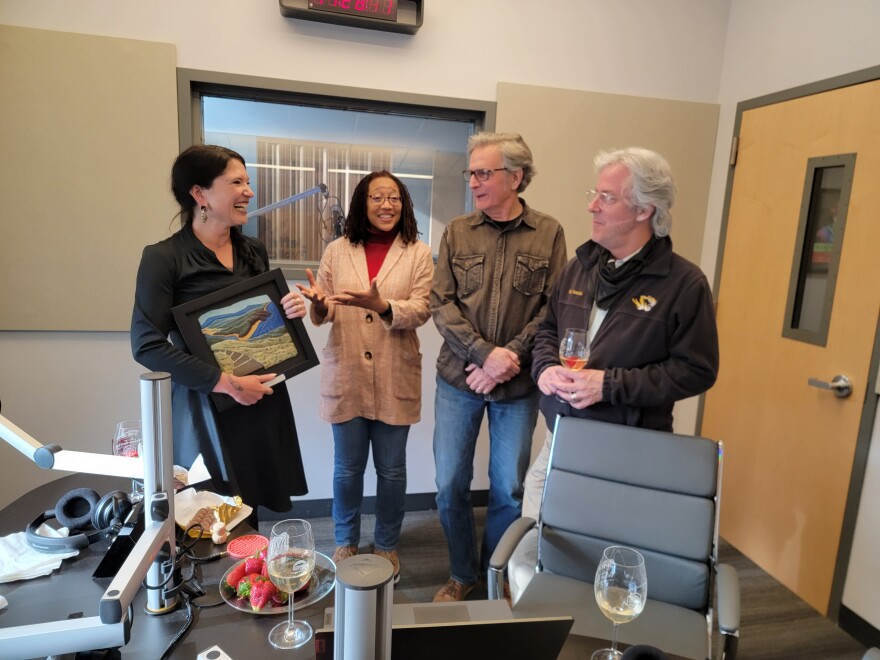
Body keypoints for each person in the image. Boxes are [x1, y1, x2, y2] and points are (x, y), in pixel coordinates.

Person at [516, 148, 719, 598]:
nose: (591, 206)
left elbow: (696, 371)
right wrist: (546, 367)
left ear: (644, 210)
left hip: (627, 446)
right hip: (561, 435)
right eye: (595, 194)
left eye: (606, 197)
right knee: (536, 539)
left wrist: (609, 384)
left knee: (601, 558)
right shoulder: (581, 266)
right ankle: (536, 618)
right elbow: (548, 328)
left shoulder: (684, 285)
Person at [131, 144, 309, 516]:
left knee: (252, 510)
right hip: (207, 406)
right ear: (200, 194)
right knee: (208, 516)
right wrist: (226, 384)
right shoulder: (163, 258)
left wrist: (289, 311)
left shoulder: (254, 251)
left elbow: (263, 318)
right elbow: (146, 345)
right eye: (237, 182)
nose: (249, 191)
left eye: (248, 181)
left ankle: (249, 575)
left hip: (261, 397)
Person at [430, 132, 567, 602]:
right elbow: (440, 303)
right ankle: (462, 573)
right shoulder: (456, 231)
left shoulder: (549, 233)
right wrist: (483, 354)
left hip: (517, 383)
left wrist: (507, 358)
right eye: (471, 173)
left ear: (517, 177)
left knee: (508, 488)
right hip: (458, 378)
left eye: (483, 173)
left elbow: (553, 309)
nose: (474, 182)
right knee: (450, 484)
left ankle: (497, 576)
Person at [297, 171, 433, 581]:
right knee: (347, 469)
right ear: (363, 203)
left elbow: (422, 308)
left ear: (404, 204)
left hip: (395, 374)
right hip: (349, 373)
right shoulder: (337, 251)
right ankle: (345, 539)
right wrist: (318, 305)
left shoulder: (418, 253)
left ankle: (388, 543)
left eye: (394, 197)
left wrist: (386, 305)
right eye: (377, 197)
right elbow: (323, 312)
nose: (386, 205)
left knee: (392, 470)